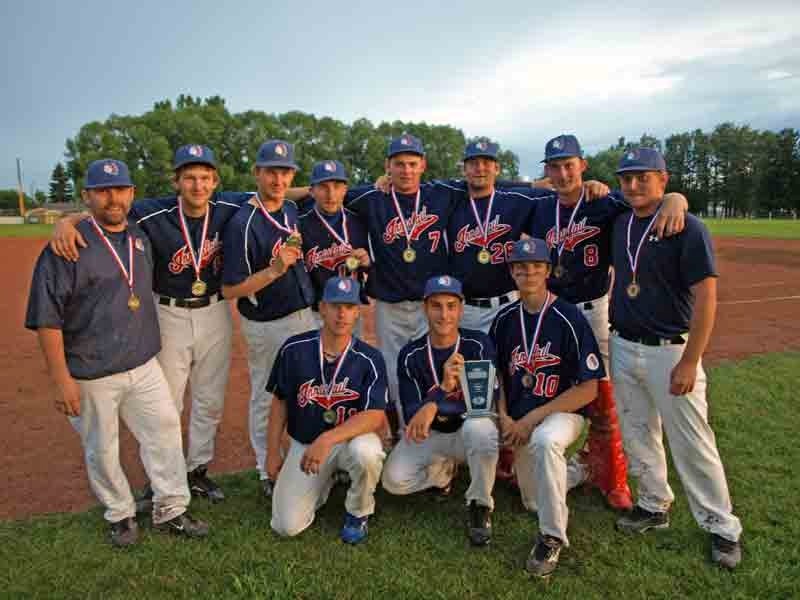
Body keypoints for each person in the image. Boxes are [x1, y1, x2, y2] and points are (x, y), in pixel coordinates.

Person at [49, 144, 251, 505]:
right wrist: (65, 221)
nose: (198, 185)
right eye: (189, 177)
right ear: (176, 181)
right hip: (168, 313)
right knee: (167, 403)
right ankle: (162, 478)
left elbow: (276, 192)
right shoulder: (150, 212)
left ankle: (196, 470)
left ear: (215, 181)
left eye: (205, 177)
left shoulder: (227, 205)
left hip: (215, 311)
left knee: (209, 400)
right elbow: (107, 210)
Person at [25, 159, 209, 546]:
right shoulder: (65, 247)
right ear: (87, 196)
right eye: (103, 190)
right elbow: (47, 319)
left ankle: (171, 507)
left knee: (163, 431)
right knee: (102, 447)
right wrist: (61, 380)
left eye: (121, 189)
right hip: (92, 371)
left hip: (143, 365)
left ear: (132, 194)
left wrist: (68, 218)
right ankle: (120, 513)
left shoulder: (139, 237)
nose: (114, 198)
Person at [518, 134, 692, 510]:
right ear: (547, 173)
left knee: (605, 393)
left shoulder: (606, 200)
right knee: (546, 380)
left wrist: (677, 197)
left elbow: (653, 199)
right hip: (553, 308)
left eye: (569, 165)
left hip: (594, 308)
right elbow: (504, 192)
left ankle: (612, 475)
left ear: (583, 165)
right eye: (554, 167)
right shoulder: (540, 205)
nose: (563, 174)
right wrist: (533, 185)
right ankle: (541, 458)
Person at [609, 148, 742, 569]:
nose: (633, 185)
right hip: (623, 343)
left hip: (671, 350)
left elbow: (707, 297)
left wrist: (691, 360)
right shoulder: (620, 220)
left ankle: (722, 527)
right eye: (626, 178)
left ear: (663, 180)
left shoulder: (688, 227)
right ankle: (653, 505)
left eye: (642, 177)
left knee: (693, 442)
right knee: (637, 432)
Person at [490, 238, 605, 577]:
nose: (529, 273)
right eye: (521, 268)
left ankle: (550, 538)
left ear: (548, 271)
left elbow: (589, 388)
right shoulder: (505, 319)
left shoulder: (569, 317)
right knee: (532, 502)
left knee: (545, 442)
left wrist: (530, 420)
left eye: (536, 267)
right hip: (521, 417)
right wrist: (505, 416)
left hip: (560, 415)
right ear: (512, 272)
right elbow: (496, 375)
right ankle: (576, 472)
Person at [222, 140, 316, 499]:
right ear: (256, 173)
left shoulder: (291, 207)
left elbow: (295, 193)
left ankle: (305, 458)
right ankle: (266, 468)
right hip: (267, 323)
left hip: (302, 314)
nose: (278, 179)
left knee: (306, 389)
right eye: (270, 171)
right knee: (268, 395)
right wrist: (274, 271)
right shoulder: (243, 223)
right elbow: (231, 289)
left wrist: (311, 187)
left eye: (284, 171)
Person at [343, 135, 457, 427]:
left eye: (411, 164)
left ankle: (440, 432)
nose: (406, 170)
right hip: (390, 305)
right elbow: (326, 193)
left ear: (423, 166)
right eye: (398, 164)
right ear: (387, 167)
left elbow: (489, 183)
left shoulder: (441, 192)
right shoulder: (372, 196)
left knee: (434, 366)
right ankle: (405, 432)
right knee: (394, 372)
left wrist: (538, 186)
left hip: (430, 304)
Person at [266, 277, 388, 543]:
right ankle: (326, 481)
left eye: (349, 306)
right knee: (285, 526)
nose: (341, 314)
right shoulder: (294, 349)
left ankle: (358, 511)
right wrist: (273, 452)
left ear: (358, 312)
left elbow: (376, 415)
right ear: (322, 308)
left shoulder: (370, 358)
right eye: (335, 306)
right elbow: (280, 402)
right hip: (305, 444)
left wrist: (328, 439)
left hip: (348, 442)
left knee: (367, 452)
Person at [381, 275, 499, 546]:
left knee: (480, 428)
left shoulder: (478, 344)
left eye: (450, 305)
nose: (444, 314)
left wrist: (432, 405)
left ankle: (480, 504)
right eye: (436, 305)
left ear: (461, 308)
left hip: (466, 432)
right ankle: (442, 473)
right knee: (393, 481)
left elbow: (482, 402)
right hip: (431, 435)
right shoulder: (411, 354)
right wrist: (443, 388)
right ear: (425, 308)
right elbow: (412, 415)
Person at [297, 160, 370, 328]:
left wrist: (367, 263)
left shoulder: (359, 221)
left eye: (337, 186)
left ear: (345, 190)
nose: (331, 194)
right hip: (315, 312)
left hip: (350, 307)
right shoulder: (299, 225)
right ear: (312, 191)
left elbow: (372, 266)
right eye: (323, 187)